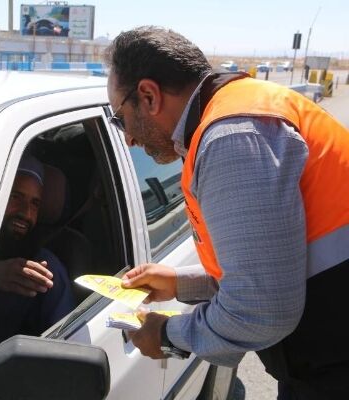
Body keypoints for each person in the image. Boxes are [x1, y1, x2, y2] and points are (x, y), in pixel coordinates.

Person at [104, 26, 349, 399]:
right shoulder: (243, 108)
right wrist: (179, 283)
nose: (129, 139)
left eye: (120, 118)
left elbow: (260, 310)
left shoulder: (231, 138)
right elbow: (274, 266)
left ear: (149, 95)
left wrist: (168, 335)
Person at [0, 154, 74, 354]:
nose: (26, 213)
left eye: (35, 204)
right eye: (16, 197)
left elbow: (61, 351)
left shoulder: (44, 272)